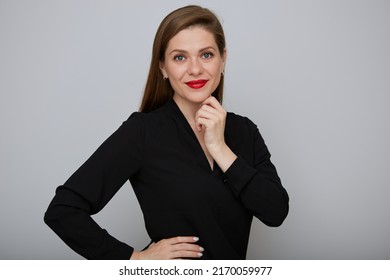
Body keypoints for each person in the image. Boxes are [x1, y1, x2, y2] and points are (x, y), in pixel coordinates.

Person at [44, 5, 289, 260]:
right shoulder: (143, 132)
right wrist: (134, 259)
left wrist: (221, 150)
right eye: (180, 57)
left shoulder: (245, 131)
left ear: (223, 58)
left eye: (206, 55)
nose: (195, 69)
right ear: (162, 67)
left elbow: (275, 213)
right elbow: (63, 210)